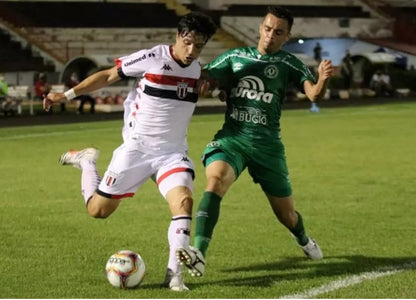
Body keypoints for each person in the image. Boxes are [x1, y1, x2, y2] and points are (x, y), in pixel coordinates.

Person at [43, 12, 217, 291]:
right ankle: (87, 163)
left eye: (199, 46)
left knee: (183, 202)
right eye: (187, 43)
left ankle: (174, 275)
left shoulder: (197, 69)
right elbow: (107, 76)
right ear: (177, 36)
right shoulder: (153, 58)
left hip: (172, 152)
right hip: (136, 150)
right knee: (98, 211)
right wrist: (66, 95)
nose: (192, 51)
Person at [176, 6, 333, 277]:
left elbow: (313, 95)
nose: (271, 36)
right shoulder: (235, 57)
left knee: (287, 216)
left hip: (268, 147)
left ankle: (304, 239)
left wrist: (322, 81)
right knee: (215, 182)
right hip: (233, 139)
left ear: (287, 37)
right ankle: (199, 252)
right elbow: (207, 78)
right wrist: (209, 85)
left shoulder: (289, 63)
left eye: (278, 32)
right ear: (261, 28)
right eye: (268, 29)